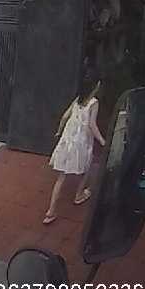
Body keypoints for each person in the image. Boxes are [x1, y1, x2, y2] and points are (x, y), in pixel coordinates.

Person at [44, 69, 107, 224]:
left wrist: (59, 131)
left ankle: (51, 211)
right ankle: (79, 195)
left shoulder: (78, 99)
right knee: (86, 167)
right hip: (82, 142)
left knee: (61, 177)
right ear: (96, 85)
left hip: (68, 140)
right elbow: (92, 125)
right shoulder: (94, 103)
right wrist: (102, 141)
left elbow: (65, 116)